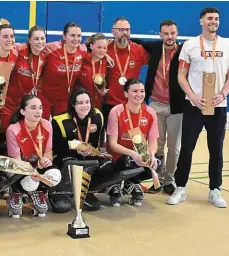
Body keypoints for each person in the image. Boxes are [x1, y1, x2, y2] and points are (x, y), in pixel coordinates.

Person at [167, 7, 229, 208]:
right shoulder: (190, 45)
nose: (213, 21)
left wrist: (222, 94)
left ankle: (215, 190)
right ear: (201, 21)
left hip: (218, 106)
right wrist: (193, 97)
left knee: (216, 149)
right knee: (187, 148)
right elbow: (181, 76)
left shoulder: (227, 45)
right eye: (209, 18)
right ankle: (180, 188)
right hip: (194, 106)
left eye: (216, 18)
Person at [50, 88, 127, 212]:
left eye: (87, 102)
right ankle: (60, 192)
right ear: (73, 104)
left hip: (90, 156)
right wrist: (76, 151)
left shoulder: (98, 116)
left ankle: (87, 189)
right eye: (80, 103)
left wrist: (100, 151)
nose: (84, 106)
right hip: (67, 157)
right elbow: (56, 148)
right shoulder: (59, 121)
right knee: (71, 165)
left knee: (108, 166)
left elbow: (99, 142)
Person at [132, 20, 185, 195]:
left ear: (177, 34)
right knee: (157, 145)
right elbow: (136, 41)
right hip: (155, 104)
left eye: (173, 33)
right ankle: (157, 179)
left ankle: (169, 180)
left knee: (174, 148)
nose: (169, 37)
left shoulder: (184, 50)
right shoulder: (155, 47)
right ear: (160, 34)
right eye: (166, 33)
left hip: (177, 107)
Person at [6, 95, 61, 218]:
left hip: (37, 166)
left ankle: (39, 192)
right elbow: (16, 160)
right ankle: (16, 191)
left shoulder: (47, 125)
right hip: (19, 168)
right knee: (30, 182)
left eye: (40, 107)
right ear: (23, 111)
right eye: (33, 108)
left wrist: (47, 159)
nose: (38, 111)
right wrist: (31, 172)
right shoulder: (13, 129)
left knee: (55, 175)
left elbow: (48, 151)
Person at [107, 78, 159, 206]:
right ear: (126, 94)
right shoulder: (116, 112)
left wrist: (151, 155)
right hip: (119, 156)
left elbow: (153, 141)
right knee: (126, 162)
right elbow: (112, 144)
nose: (139, 94)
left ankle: (132, 182)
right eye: (135, 91)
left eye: (142, 91)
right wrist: (132, 154)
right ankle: (115, 184)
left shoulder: (150, 112)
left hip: (139, 154)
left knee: (158, 163)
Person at [0, 26, 47, 131]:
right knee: (5, 133)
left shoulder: (45, 56)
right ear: (29, 40)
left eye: (42, 38)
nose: (40, 42)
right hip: (7, 103)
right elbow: (2, 45)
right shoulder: (19, 50)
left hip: (25, 106)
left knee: (22, 136)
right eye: (36, 39)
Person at [103, 17, 149, 128]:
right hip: (108, 103)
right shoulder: (105, 49)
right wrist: (104, 54)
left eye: (127, 30)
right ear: (113, 31)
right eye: (121, 30)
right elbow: (86, 49)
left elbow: (158, 59)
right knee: (109, 140)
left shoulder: (138, 50)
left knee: (129, 139)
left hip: (131, 104)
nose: (125, 33)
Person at [37, 22, 87, 119]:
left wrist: (106, 55)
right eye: (72, 35)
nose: (76, 39)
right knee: (42, 128)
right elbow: (32, 50)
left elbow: (97, 48)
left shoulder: (83, 50)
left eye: (79, 36)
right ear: (64, 36)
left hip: (64, 99)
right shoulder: (51, 48)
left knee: (61, 128)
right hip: (44, 96)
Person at [77, 33, 109, 110]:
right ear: (91, 46)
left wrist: (102, 90)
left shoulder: (105, 62)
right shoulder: (82, 58)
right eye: (99, 47)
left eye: (105, 48)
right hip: (80, 104)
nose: (102, 50)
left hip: (97, 106)